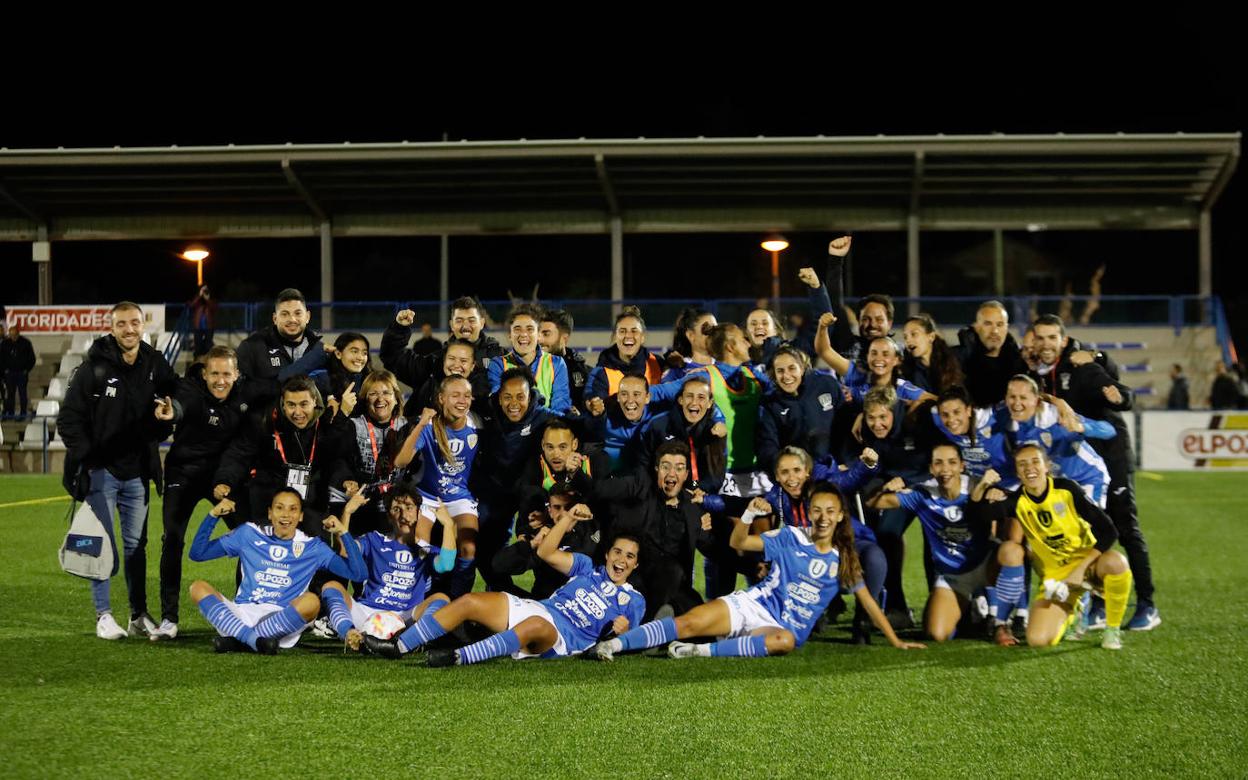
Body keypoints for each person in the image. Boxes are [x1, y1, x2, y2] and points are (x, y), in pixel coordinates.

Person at [588, 482, 925, 660]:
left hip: (779, 629)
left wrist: (895, 642)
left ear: (839, 516)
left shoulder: (844, 558)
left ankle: (702, 652)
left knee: (786, 641)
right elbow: (740, 543)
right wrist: (747, 516)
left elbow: (866, 599)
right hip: (752, 605)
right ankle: (614, 646)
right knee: (687, 623)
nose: (822, 516)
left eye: (830, 511)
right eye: (817, 510)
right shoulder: (792, 535)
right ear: (810, 512)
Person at [363, 503, 645, 666]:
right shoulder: (587, 567)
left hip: (561, 637)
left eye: (629, 557)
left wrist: (621, 630)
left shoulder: (634, 600)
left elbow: (628, 638)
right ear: (607, 554)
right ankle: (398, 647)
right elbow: (546, 552)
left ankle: (457, 657)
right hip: (539, 609)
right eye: (617, 552)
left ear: (635, 565)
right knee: (469, 602)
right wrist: (568, 518)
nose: (621, 560)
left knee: (536, 626)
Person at [56, 302, 180, 640]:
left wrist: (175, 410)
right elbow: (67, 420)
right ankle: (103, 615)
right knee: (100, 543)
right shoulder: (92, 368)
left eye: (135, 323)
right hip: (102, 473)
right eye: (122, 324)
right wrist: (90, 458)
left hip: (139, 473)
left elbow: (179, 393)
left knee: (135, 548)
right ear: (112, 328)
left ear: (144, 325)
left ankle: (137, 615)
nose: (129, 329)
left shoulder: (155, 363)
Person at [1028, 315, 1157, 631]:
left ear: (1063, 339)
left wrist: (1118, 393)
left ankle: (1147, 605)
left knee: (1125, 528)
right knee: (1090, 532)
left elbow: (1121, 393)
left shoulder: (1081, 368)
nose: (1046, 344)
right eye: (1040, 338)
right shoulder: (1037, 372)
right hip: (1079, 467)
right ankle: (1098, 604)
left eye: (1051, 338)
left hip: (1110, 457)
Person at [150, 345, 251, 640]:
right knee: (172, 538)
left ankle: (244, 609)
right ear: (205, 374)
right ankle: (169, 619)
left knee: (249, 537)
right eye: (215, 374)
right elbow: (181, 406)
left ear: (237, 374)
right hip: (184, 473)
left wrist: (227, 481)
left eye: (227, 374)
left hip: (224, 479)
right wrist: (172, 414)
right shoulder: (190, 391)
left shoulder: (244, 398)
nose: (221, 380)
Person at [990, 444, 1133, 650]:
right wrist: (985, 489)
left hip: (1089, 565)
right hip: (1056, 580)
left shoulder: (1067, 489)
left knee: (1115, 562)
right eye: (1022, 464)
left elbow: (1109, 531)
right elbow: (980, 513)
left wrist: (1080, 570)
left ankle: (1112, 629)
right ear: (1017, 472)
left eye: (1035, 462)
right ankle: (1074, 614)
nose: (1030, 468)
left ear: (1047, 466)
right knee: (1037, 640)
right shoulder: (1017, 502)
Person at [187, 490, 365, 654]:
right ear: (270, 513)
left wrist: (343, 532)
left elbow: (358, 574)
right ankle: (255, 640)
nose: (286, 515)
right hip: (242, 614)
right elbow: (198, 553)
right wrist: (213, 515)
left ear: (301, 516)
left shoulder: (313, 547)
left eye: (293, 509)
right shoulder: (248, 534)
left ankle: (240, 640)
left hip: (282, 620)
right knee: (197, 587)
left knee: (311, 602)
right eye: (279, 508)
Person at [868, 443, 1009, 644]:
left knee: (1009, 552)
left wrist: (996, 494)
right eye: (938, 463)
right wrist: (885, 488)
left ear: (962, 465)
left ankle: (1004, 619)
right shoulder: (923, 495)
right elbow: (873, 503)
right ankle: (965, 611)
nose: (945, 469)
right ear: (931, 468)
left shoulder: (978, 486)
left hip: (986, 568)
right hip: (953, 577)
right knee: (936, 634)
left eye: (952, 462)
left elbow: (1007, 510)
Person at [763, 446, 885, 643]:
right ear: (777, 476)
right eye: (784, 472)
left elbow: (849, 480)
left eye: (796, 470)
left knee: (875, 557)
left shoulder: (824, 485)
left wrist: (867, 465)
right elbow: (738, 505)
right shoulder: (777, 496)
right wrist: (705, 499)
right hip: (811, 554)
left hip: (846, 543)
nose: (791, 478)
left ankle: (863, 620)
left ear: (807, 471)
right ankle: (805, 615)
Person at [319, 486, 457, 651]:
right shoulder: (374, 540)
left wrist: (448, 525)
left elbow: (446, 565)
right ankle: (350, 634)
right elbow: (344, 551)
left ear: (419, 513)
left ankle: (413, 639)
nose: (404, 515)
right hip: (367, 612)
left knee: (441, 599)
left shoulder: (426, 551)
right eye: (396, 509)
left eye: (409, 508)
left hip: (406, 616)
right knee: (331, 587)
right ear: (389, 517)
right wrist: (347, 513)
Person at [590, 440, 715, 620]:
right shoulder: (639, 496)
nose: (672, 473)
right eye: (666, 467)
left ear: (686, 474)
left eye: (679, 468)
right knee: (671, 569)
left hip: (673, 585)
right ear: (657, 469)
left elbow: (710, 546)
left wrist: (705, 531)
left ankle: (663, 624)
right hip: (635, 579)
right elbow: (600, 493)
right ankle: (647, 628)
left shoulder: (693, 508)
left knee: (699, 617)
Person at [212, 376, 340, 531]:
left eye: (304, 404)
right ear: (283, 404)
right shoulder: (264, 422)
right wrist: (225, 480)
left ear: (315, 401)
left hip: (311, 503)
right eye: (291, 405)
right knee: (259, 551)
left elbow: (338, 460)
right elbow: (239, 454)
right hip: (268, 499)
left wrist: (346, 480)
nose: (297, 412)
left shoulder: (327, 425)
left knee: (314, 550)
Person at [395, 375, 481, 597]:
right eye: (455, 395)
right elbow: (400, 462)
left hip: (459, 496)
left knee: (468, 549)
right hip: (427, 496)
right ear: (441, 398)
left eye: (467, 396)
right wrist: (421, 423)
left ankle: (458, 604)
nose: (462, 401)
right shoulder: (429, 426)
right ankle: (417, 600)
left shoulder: (477, 425)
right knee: (420, 547)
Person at [327, 369, 408, 536]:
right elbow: (336, 456)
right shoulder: (354, 425)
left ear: (396, 398)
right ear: (365, 399)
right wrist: (346, 480)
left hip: (393, 499)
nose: (380, 399)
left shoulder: (407, 427)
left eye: (386, 393)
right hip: (360, 498)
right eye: (373, 394)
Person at [492, 484, 600, 600]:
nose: (563, 514)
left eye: (568, 508)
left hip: (588, 606)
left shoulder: (593, 527)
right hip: (547, 605)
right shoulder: (542, 535)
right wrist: (532, 544)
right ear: (550, 511)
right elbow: (499, 565)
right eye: (557, 508)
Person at [756, 345, 844, 474]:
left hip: (836, 469)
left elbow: (846, 425)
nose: (786, 376)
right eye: (780, 371)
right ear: (774, 374)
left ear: (802, 368)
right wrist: (788, 470)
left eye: (792, 368)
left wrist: (846, 462)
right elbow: (767, 448)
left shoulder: (826, 384)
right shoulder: (769, 404)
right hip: (797, 476)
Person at [815, 314, 934, 406]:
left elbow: (939, 401)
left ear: (896, 360)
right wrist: (822, 327)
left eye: (885, 354)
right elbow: (824, 351)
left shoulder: (902, 388)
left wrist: (911, 406)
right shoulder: (856, 374)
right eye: (874, 353)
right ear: (867, 357)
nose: (879, 359)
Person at [487, 303, 572, 414]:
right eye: (517, 329)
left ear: (538, 335)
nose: (523, 334)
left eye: (529, 329)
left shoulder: (556, 364)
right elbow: (500, 403)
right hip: (511, 429)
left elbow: (560, 407)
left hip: (546, 428)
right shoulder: (498, 365)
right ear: (509, 335)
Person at [235, 288, 322, 383]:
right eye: (285, 314)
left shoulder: (319, 349)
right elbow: (241, 389)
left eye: (298, 313)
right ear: (275, 319)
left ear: (307, 317)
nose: (292, 319)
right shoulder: (251, 348)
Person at [953, 301, 1028, 408]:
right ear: (977, 327)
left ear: (1007, 328)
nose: (995, 331)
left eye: (1000, 324)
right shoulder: (956, 360)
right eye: (988, 324)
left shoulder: (1020, 361)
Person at [585, 305, 664, 403]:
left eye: (634, 331)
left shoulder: (658, 364)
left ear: (642, 337)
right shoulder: (601, 372)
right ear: (615, 336)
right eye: (622, 331)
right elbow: (591, 400)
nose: (628, 335)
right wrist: (594, 406)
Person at [539, 308, 590, 413]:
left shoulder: (580, 371)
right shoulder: (528, 365)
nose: (539, 339)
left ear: (564, 338)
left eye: (546, 334)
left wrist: (579, 412)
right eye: (538, 333)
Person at [901, 314, 965, 395]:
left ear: (931, 337)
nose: (908, 340)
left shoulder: (955, 358)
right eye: (905, 337)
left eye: (914, 334)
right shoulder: (908, 370)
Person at [447, 296, 505, 369]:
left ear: (482, 323)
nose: (465, 326)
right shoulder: (437, 359)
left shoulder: (503, 356)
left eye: (471, 321)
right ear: (451, 325)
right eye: (459, 321)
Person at [661, 307, 717, 382]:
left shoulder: (726, 366)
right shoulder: (678, 371)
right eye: (708, 329)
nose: (715, 334)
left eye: (716, 329)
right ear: (691, 335)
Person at [1, 324, 36, 419]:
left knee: (22, 394)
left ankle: (23, 413)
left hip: (22, 373)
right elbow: (1, 359)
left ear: (18, 334)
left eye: (14, 335)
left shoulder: (25, 343)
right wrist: (5, 370)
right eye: (11, 335)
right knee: (10, 394)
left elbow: (32, 359)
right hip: (9, 374)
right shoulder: (5, 344)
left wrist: (26, 370)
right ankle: (10, 413)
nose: (13, 337)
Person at [187, 284, 218, 357]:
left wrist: (207, 299)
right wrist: (199, 296)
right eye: (203, 290)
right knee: (198, 346)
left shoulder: (212, 299)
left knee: (208, 346)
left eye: (206, 290)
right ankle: (197, 362)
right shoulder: (197, 299)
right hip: (198, 326)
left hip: (209, 326)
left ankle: (208, 362)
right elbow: (191, 305)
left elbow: (214, 308)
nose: (204, 291)